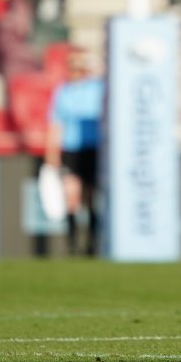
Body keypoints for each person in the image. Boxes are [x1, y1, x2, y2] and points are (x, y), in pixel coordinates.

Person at [44, 49, 104, 256]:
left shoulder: (97, 88)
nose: (75, 71)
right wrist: (52, 152)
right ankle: (72, 244)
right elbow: (55, 124)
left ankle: (92, 244)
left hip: (92, 148)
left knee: (90, 197)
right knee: (71, 195)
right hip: (71, 148)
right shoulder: (62, 92)